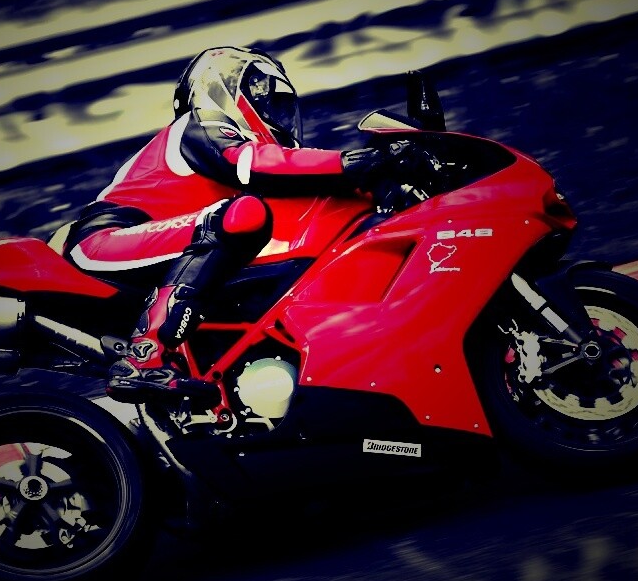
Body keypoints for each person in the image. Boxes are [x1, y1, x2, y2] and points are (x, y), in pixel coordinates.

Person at [63, 46, 399, 403]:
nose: (280, 118)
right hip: (104, 238)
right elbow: (256, 163)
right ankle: (144, 358)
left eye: (283, 108)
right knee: (240, 216)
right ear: (226, 89)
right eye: (269, 103)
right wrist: (354, 163)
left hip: (155, 243)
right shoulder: (197, 125)